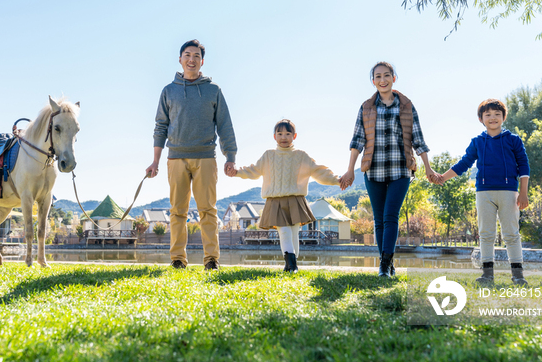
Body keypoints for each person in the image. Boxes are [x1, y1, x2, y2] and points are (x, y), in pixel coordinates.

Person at [146, 39, 237, 271]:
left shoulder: (213, 90)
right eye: (187, 55)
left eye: (196, 56)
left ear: (202, 61)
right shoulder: (169, 91)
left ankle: (211, 260)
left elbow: (224, 125)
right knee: (178, 211)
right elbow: (160, 127)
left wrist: (230, 156)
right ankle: (177, 259)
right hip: (175, 157)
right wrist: (155, 161)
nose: (191, 59)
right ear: (180, 59)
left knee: (208, 210)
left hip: (206, 157)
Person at [340, 61, 437, 277]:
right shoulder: (366, 107)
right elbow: (358, 140)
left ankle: (384, 264)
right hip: (372, 170)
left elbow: (418, 138)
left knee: (390, 216)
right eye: (378, 77)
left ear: (394, 78)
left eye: (386, 75)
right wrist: (349, 170)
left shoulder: (406, 105)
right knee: (379, 218)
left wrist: (428, 168)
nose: (382, 80)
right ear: (373, 81)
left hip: (400, 169)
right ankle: (387, 263)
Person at [436, 98, 530, 286]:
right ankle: (487, 274)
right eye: (488, 114)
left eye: (497, 114)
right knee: (486, 233)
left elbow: (524, 166)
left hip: (509, 192)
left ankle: (518, 275)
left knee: (511, 234)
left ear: (504, 117)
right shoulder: (478, 142)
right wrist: (443, 178)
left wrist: (523, 193)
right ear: (481, 119)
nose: (492, 117)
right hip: (484, 193)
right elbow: (464, 163)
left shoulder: (513, 140)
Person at [228, 119, 341, 272]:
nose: (283, 137)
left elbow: (319, 171)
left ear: (294, 136)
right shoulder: (268, 156)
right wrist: (237, 172)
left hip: (296, 200)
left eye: (288, 134)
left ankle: (291, 265)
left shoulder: (301, 156)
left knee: (294, 234)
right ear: (274, 136)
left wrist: (337, 180)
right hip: (275, 201)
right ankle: (292, 266)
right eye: (280, 133)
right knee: (285, 232)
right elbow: (253, 171)